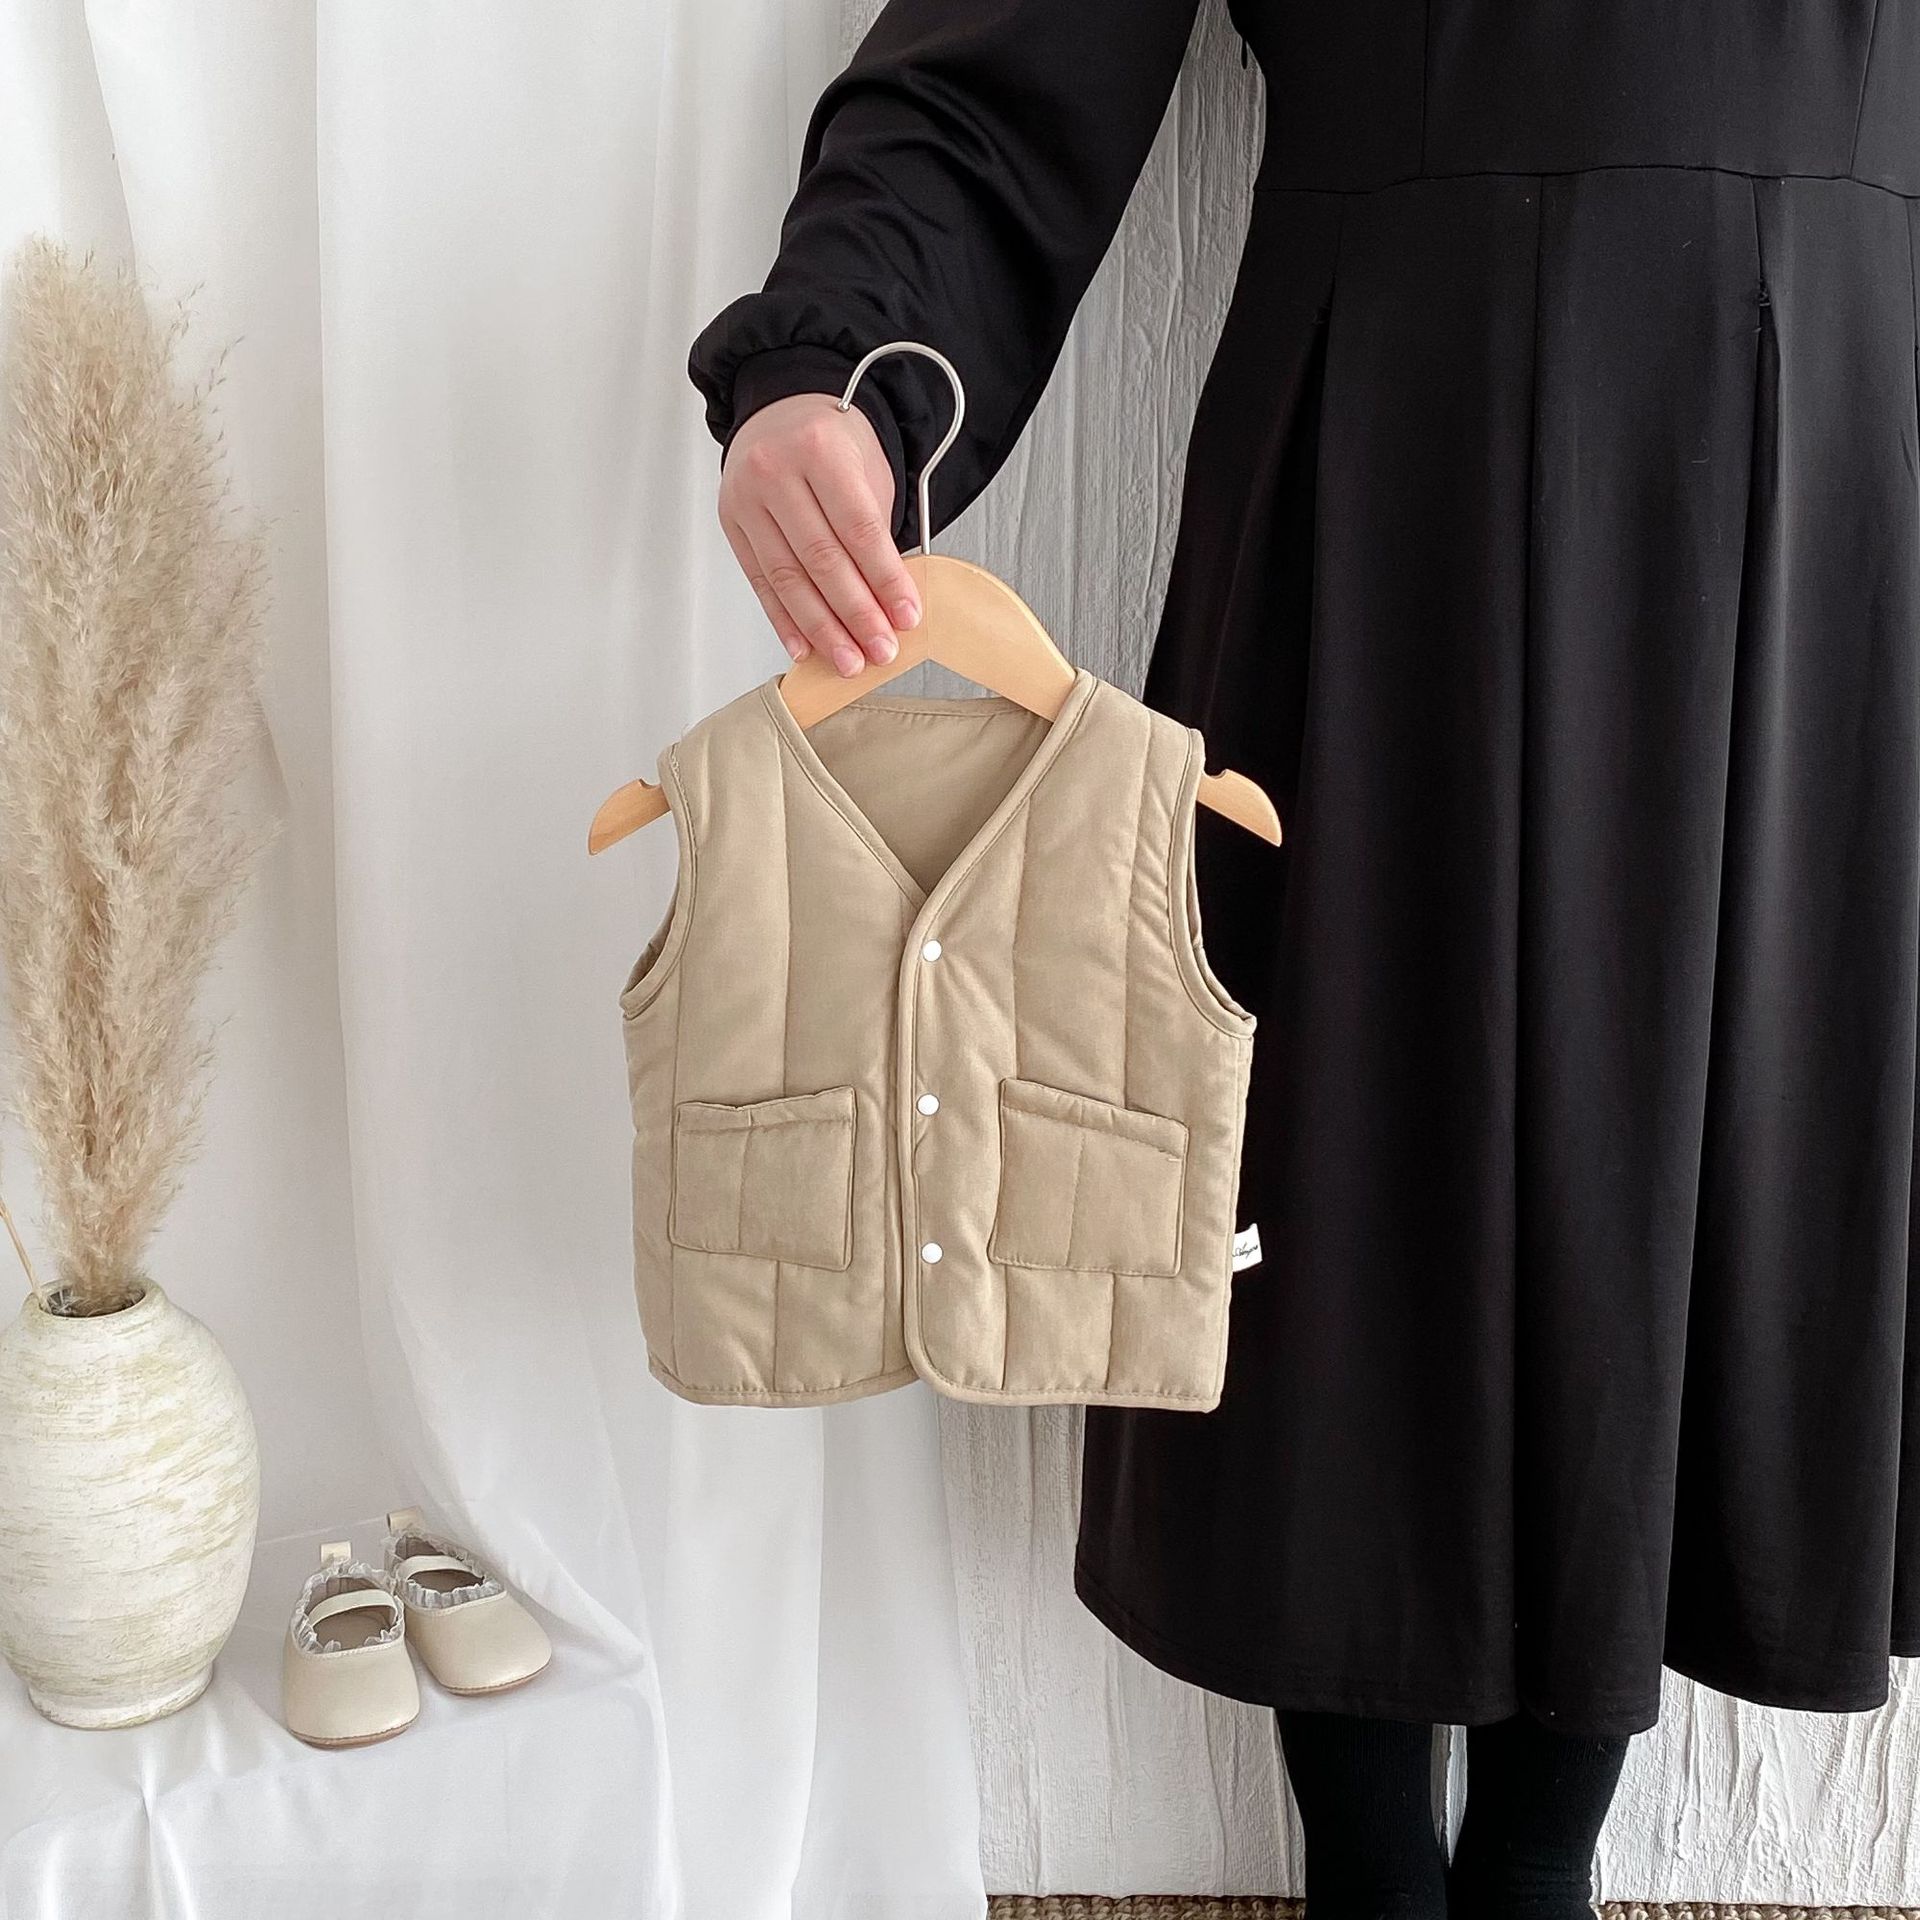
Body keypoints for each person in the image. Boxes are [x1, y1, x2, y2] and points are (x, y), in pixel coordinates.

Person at [687, 6, 1920, 1915]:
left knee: (1708, 1117)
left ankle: (1542, 1860)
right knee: (1343, 1139)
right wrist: (838, 366)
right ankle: (1370, 1870)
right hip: (1396, 437)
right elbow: (996, 68)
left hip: (1833, 443)